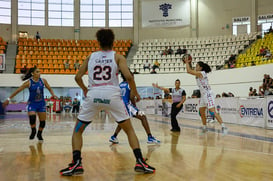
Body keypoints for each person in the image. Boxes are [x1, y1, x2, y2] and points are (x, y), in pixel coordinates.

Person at [59, 29, 155, 176]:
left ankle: (77, 164)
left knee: (78, 131)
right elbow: (129, 76)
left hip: (94, 95)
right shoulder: (118, 57)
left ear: (98, 42)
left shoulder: (90, 57)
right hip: (112, 96)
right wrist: (134, 92)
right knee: (129, 130)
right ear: (113, 41)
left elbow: (77, 77)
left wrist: (85, 89)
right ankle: (140, 161)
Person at [2, 67, 57, 141]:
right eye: (37, 72)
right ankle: (33, 131)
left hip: (41, 104)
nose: (39, 73)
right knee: (32, 118)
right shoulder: (29, 82)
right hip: (32, 104)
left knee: (43, 122)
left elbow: (49, 88)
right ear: (32, 73)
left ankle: (39, 133)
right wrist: (8, 99)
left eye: (39, 71)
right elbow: (17, 91)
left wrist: (53, 94)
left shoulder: (43, 81)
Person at [109, 71, 160, 144]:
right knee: (143, 117)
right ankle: (150, 137)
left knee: (123, 121)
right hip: (127, 105)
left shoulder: (120, 85)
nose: (133, 77)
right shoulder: (131, 84)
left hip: (119, 105)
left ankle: (114, 136)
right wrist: (135, 106)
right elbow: (132, 97)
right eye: (132, 75)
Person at [184, 58, 228, 135]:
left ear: (200, 68)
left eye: (197, 66)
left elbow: (189, 71)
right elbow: (191, 69)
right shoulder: (198, 73)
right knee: (201, 111)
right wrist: (189, 63)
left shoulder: (202, 73)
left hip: (208, 94)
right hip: (203, 95)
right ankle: (204, 128)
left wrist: (187, 62)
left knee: (213, 111)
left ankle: (224, 127)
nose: (196, 67)